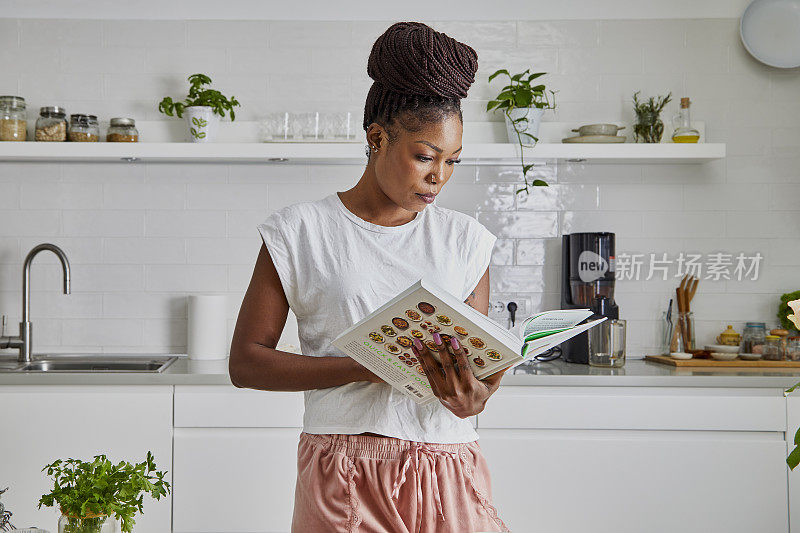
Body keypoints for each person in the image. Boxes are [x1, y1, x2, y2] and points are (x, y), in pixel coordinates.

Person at [229, 21, 509, 533]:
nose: (438, 177)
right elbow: (247, 364)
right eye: (424, 156)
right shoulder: (300, 230)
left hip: (448, 465)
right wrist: (368, 367)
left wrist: (475, 396)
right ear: (377, 138)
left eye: (453, 162)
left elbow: (472, 372)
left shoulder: (466, 240)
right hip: (344, 469)